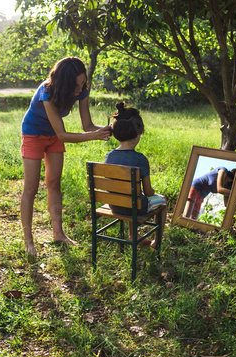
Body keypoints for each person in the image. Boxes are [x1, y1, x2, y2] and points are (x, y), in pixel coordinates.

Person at [20, 57, 111, 258]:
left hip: (53, 137)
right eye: (76, 85)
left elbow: (87, 126)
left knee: (54, 183)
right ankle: (28, 241)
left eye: (82, 83)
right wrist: (94, 136)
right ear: (64, 83)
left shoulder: (82, 90)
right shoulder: (47, 91)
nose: (80, 89)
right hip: (33, 134)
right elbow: (63, 134)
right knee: (31, 188)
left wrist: (109, 129)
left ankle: (58, 234)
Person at [103, 102, 167, 247]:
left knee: (133, 195)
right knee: (162, 200)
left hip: (114, 204)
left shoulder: (109, 156)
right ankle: (157, 241)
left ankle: (133, 235)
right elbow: (149, 192)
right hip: (134, 207)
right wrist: (153, 193)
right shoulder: (140, 159)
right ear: (138, 134)